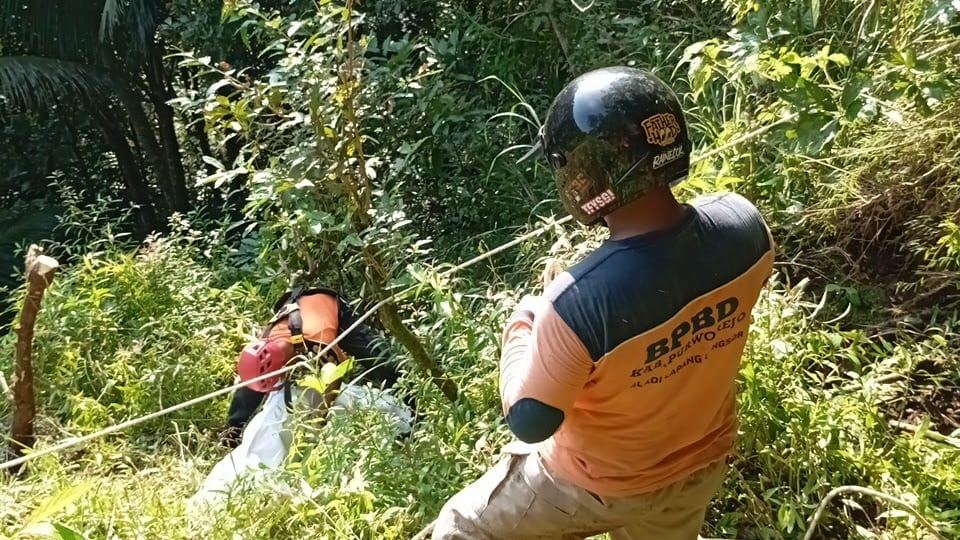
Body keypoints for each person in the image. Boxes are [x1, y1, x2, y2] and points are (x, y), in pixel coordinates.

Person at [431, 67, 775, 539]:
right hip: (698, 463)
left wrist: (524, 320)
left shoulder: (576, 304)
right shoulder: (745, 226)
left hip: (597, 484)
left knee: (461, 527)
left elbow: (531, 419)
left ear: (585, 176)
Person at [219, 287, 406, 448]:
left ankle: (412, 408)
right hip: (297, 308)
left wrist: (319, 417)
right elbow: (256, 373)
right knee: (254, 381)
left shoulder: (319, 340)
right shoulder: (265, 342)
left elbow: (336, 374)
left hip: (332, 308)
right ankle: (232, 430)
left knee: (382, 363)